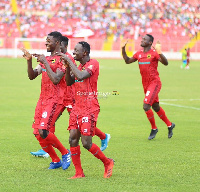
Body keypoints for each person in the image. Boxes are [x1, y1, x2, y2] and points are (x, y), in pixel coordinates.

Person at [30, 36, 111, 158]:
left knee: (81, 124)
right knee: (50, 123)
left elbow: (69, 77)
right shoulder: (57, 58)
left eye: (61, 47)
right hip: (61, 97)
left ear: (63, 45)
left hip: (71, 97)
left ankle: (103, 136)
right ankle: (47, 147)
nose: (59, 50)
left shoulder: (68, 59)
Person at [58, 41, 114, 179]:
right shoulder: (78, 66)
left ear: (85, 52)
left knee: (86, 143)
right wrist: (67, 68)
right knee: (72, 139)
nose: (73, 53)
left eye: (76, 50)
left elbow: (82, 76)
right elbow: (70, 82)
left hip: (90, 107)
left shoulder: (93, 63)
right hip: (77, 107)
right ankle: (79, 173)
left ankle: (108, 162)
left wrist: (70, 64)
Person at [21, 31, 71, 170]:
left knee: (44, 130)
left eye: (48, 41)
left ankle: (65, 153)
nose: (46, 43)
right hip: (42, 99)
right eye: (46, 40)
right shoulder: (45, 59)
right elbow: (32, 76)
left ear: (57, 43)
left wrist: (44, 62)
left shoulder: (63, 59)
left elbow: (56, 79)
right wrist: (30, 61)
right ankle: (55, 160)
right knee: (37, 132)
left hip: (55, 99)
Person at [122, 34, 175, 140]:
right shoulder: (139, 54)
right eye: (142, 39)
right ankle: (170, 125)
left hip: (154, 83)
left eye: (144, 39)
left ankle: (154, 128)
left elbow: (166, 63)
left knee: (146, 106)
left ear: (150, 43)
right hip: (145, 84)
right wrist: (123, 49)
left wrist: (160, 52)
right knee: (155, 107)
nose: (142, 40)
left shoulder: (154, 54)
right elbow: (127, 61)